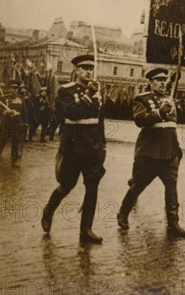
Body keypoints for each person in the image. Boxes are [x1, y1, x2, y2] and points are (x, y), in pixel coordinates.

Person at [41, 54, 106, 244]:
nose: (88, 72)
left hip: (93, 147)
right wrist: (88, 95)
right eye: (84, 68)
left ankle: (86, 229)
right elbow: (71, 113)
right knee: (67, 185)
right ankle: (49, 210)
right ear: (76, 70)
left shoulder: (98, 92)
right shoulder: (65, 91)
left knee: (92, 187)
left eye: (91, 68)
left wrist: (103, 146)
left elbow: (100, 121)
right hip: (73, 147)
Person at [117, 68, 185, 238]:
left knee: (171, 188)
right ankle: (123, 212)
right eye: (158, 80)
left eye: (164, 80)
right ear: (151, 82)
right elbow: (140, 120)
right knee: (139, 185)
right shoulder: (141, 99)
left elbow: (173, 126)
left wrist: (184, 108)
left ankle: (173, 223)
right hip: (150, 153)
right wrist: (158, 112)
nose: (162, 82)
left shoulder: (171, 100)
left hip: (170, 151)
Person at [0, 80, 26, 168]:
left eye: (16, 89)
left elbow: (24, 112)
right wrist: (5, 112)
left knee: (16, 142)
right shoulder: (5, 99)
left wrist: (25, 122)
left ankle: (14, 161)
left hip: (16, 124)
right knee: (2, 140)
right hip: (6, 123)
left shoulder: (20, 100)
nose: (14, 90)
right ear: (9, 89)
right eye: (13, 88)